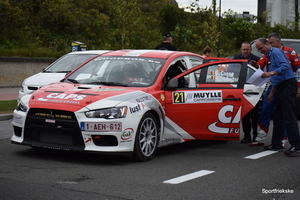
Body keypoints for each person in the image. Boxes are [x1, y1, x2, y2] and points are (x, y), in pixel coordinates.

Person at [249, 33, 300, 146]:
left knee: (289, 116)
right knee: (277, 116)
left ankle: (295, 144)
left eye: (261, 48)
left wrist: (299, 87)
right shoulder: (269, 55)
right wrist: (272, 92)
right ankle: (275, 143)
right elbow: (263, 67)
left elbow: (289, 68)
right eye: (258, 49)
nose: (260, 51)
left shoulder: (282, 52)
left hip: (288, 85)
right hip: (277, 85)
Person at [233, 42, 260, 143]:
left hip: (254, 89)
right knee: (244, 115)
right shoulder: (236, 58)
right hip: (241, 89)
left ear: (251, 50)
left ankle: (256, 136)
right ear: (241, 50)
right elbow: (230, 71)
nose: (245, 51)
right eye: (244, 49)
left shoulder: (256, 59)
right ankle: (247, 135)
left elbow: (262, 73)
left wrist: (257, 66)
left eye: (247, 49)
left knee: (255, 115)